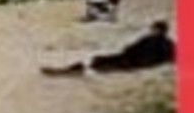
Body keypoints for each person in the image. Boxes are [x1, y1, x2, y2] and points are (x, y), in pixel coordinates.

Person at [42, 21, 175, 75]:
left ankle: (69, 70)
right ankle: (72, 70)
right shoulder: (169, 44)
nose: (152, 31)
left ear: (156, 30)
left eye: (153, 29)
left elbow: (130, 50)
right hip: (136, 63)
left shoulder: (149, 40)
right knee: (101, 61)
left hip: (131, 62)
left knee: (100, 61)